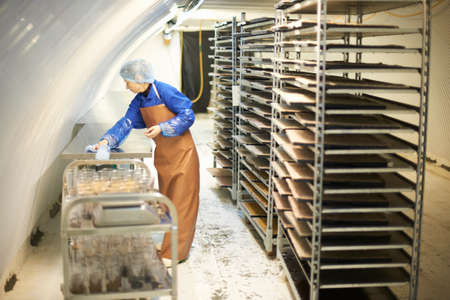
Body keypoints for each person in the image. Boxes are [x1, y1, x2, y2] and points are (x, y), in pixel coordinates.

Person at [93, 59, 200, 266]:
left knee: (183, 203)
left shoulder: (164, 91)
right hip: (165, 158)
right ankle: (171, 244)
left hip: (183, 155)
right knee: (168, 203)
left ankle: (175, 252)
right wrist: (106, 141)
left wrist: (162, 127)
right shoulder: (140, 100)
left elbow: (188, 115)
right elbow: (126, 122)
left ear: (139, 79)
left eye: (127, 82)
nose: (126, 86)